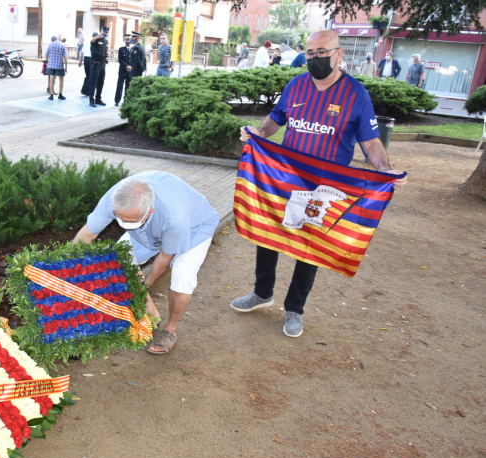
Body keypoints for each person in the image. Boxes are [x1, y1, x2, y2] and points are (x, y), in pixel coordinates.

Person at [232, 29, 407, 338]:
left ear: (339, 54)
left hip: (325, 188)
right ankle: (262, 293)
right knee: (269, 230)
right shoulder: (295, 86)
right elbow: (276, 119)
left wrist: (385, 172)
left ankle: (294, 309)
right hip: (285, 178)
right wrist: (258, 136)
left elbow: (371, 142)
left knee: (310, 246)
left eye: (322, 52)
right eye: (310, 53)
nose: (315, 58)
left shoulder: (355, 94)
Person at [73, 172, 220, 355]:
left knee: (182, 275)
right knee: (119, 259)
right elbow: (87, 234)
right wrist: (65, 268)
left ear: (149, 211)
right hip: (152, 226)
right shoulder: (113, 199)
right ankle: (151, 314)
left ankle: (170, 330)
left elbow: (165, 258)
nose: (123, 223)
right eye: (120, 218)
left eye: (129, 220)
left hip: (195, 226)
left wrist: (144, 286)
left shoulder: (173, 216)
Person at [88, 26, 109, 107]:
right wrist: (97, 37)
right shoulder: (96, 39)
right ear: (101, 31)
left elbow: (105, 50)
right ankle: (91, 100)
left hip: (102, 63)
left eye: (106, 32)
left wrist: (107, 54)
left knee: (101, 82)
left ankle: (98, 99)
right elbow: (91, 41)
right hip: (95, 63)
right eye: (104, 31)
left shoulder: (106, 41)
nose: (105, 33)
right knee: (93, 82)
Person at [44, 35, 67, 100]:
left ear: (56, 39)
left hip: (51, 65)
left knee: (51, 79)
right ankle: (60, 94)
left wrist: (48, 62)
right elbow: (65, 57)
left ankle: (51, 95)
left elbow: (46, 54)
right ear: (61, 39)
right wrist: (66, 67)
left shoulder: (51, 44)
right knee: (61, 80)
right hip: (59, 65)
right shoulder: (62, 45)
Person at [115, 34, 132, 106]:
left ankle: (126, 101)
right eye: (126, 40)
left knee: (128, 87)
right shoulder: (121, 49)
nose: (127, 41)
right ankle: (117, 101)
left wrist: (131, 67)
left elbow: (135, 60)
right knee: (119, 86)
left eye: (129, 40)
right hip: (122, 71)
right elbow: (120, 60)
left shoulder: (133, 49)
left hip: (130, 71)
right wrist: (126, 66)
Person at [79, 31, 97, 96]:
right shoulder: (94, 42)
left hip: (86, 58)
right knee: (91, 75)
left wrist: (80, 61)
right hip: (91, 58)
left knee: (87, 75)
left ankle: (83, 90)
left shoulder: (86, 41)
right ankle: (88, 91)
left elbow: (82, 52)